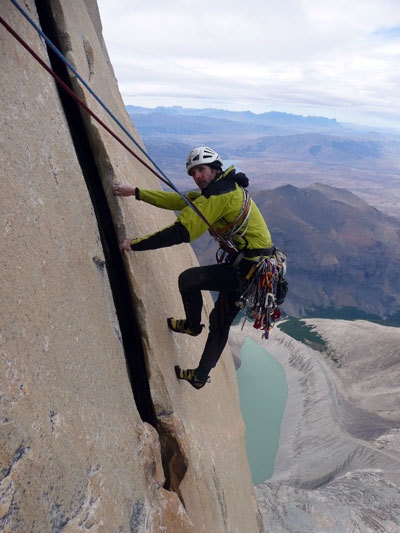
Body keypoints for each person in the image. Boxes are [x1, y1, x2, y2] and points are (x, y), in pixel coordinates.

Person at [112, 146, 274, 390]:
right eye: (193, 172)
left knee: (189, 280)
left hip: (247, 269)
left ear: (215, 169)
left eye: (201, 169)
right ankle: (199, 376)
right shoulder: (221, 187)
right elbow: (180, 200)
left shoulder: (219, 194)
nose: (197, 176)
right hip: (253, 268)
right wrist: (135, 192)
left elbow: (183, 231)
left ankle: (191, 326)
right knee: (219, 325)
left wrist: (135, 244)